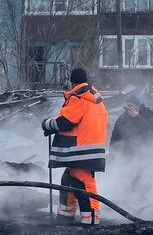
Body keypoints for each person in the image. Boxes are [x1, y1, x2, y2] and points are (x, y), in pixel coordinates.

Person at [41, 68, 108, 226]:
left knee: (83, 182)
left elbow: (65, 121)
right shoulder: (94, 98)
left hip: (80, 150)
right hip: (91, 148)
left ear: (72, 82)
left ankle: (91, 219)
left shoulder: (78, 98)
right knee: (69, 179)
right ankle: (66, 214)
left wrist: (47, 124)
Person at [110, 93, 153, 159]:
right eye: (127, 105)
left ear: (138, 106)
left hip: (143, 154)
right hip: (125, 155)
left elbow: (150, 130)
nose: (128, 108)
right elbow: (115, 135)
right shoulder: (123, 117)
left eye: (130, 105)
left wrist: (137, 117)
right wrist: (112, 150)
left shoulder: (149, 114)